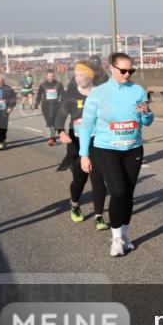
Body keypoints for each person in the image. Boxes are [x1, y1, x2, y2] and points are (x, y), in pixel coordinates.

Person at [77, 53, 153, 256]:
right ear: (112, 68)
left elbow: (147, 121)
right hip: (105, 149)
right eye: (123, 70)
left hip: (133, 148)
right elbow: (86, 126)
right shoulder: (98, 93)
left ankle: (125, 236)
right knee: (118, 191)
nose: (127, 74)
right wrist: (84, 154)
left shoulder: (137, 90)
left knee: (128, 193)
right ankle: (116, 237)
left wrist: (146, 112)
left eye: (131, 70)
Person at [55, 61, 108, 230]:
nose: (77, 78)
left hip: (98, 141)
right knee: (80, 179)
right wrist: (61, 133)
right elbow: (60, 117)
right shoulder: (70, 95)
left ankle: (99, 217)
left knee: (98, 178)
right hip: (76, 142)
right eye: (75, 75)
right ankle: (75, 204)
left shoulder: (101, 94)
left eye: (80, 75)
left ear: (90, 76)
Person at [35, 69, 65, 145]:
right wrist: (36, 105)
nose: (50, 77)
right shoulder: (43, 85)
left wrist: (62, 104)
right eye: (49, 76)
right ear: (46, 76)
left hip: (56, 106)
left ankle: (52, 138)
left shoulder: (58, 84)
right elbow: (38, 95)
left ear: (54, 76)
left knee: (54, 122)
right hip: (46, 106)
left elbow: (63, 95)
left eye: (52, 76)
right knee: (50, 122)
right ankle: (52, 138)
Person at [0, 75, 17, 150]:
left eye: (0, 82)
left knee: (4, 125)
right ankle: (0, 140)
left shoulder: (8, 89)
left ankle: (2, 140)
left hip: (5, 109)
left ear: (3, 82)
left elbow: (13, 98)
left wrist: (11, 107)